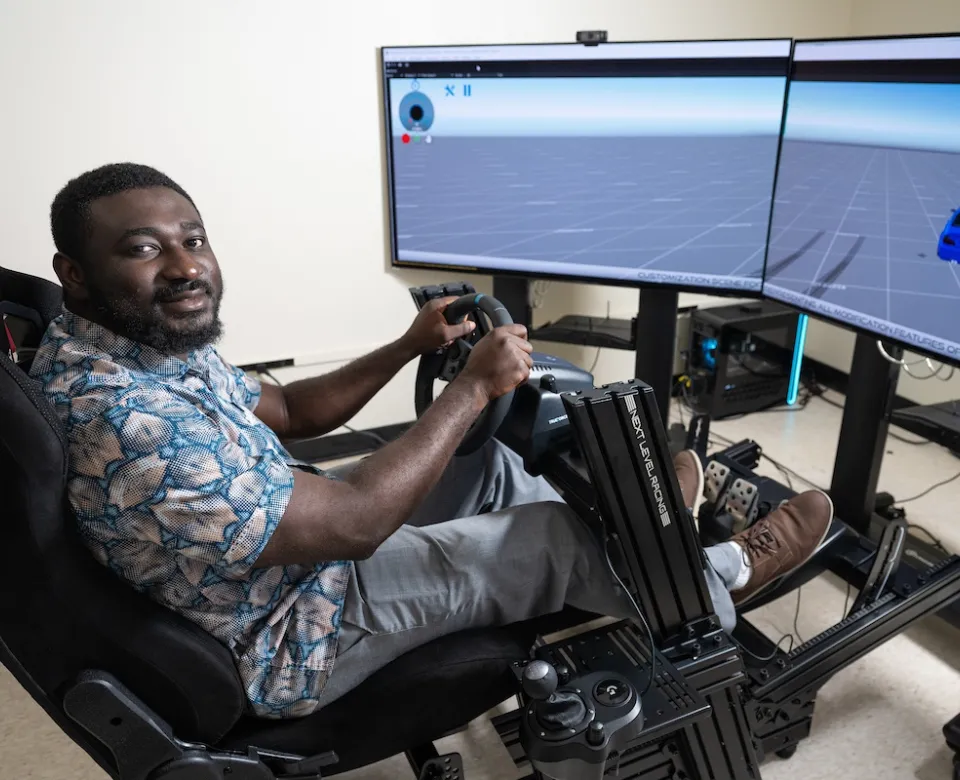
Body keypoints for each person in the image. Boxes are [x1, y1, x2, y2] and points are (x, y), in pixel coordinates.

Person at [30, 163, 834, 720]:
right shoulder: (128, 419)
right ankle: (716, 581)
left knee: (488, 464)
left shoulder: (140, 347)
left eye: (193, 239)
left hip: (281, 554)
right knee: (551, 535)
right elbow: (354, 524)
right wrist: (471, 386)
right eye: (143, 248)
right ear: (75, 272)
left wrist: (410, 345)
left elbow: (293, 408)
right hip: (288, 632)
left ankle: (651, 553)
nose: (184, 266)